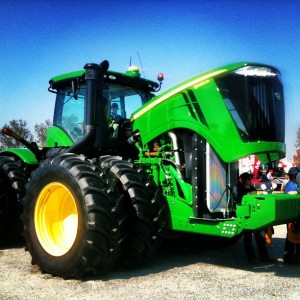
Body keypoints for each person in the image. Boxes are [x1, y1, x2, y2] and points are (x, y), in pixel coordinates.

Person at [237, 172, 272, 264]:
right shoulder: (240, 190)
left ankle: (264, 257)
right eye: (249, 179)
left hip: (255, 215)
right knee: (247, 238)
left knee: (260, 237)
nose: (251, 180)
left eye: (251, 178)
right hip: (246, 216)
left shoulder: (252, 188)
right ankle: (251, 258)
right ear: (244, 180)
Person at [283, 167, 300, 264]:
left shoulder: (291, 184)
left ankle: (289, 257)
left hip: (290, 215)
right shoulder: (292, 186)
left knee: (290, 237)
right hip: (293, 216)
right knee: (293, 238)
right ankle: (292, 258)